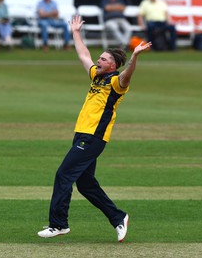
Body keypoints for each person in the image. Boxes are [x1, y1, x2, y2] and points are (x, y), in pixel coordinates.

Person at [37, 14, 152, 242]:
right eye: (98, 58)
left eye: (103, 59)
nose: (97, 61)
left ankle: (58, 224)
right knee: (86, 184)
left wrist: (135, 57)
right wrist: (76, 33)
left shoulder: (115, 83)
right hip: (82, 134)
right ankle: (118, 217)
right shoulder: (96, 77)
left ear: (112, 65)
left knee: (63, 175)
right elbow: (83, 55)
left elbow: (128, 75)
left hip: (93, 138)